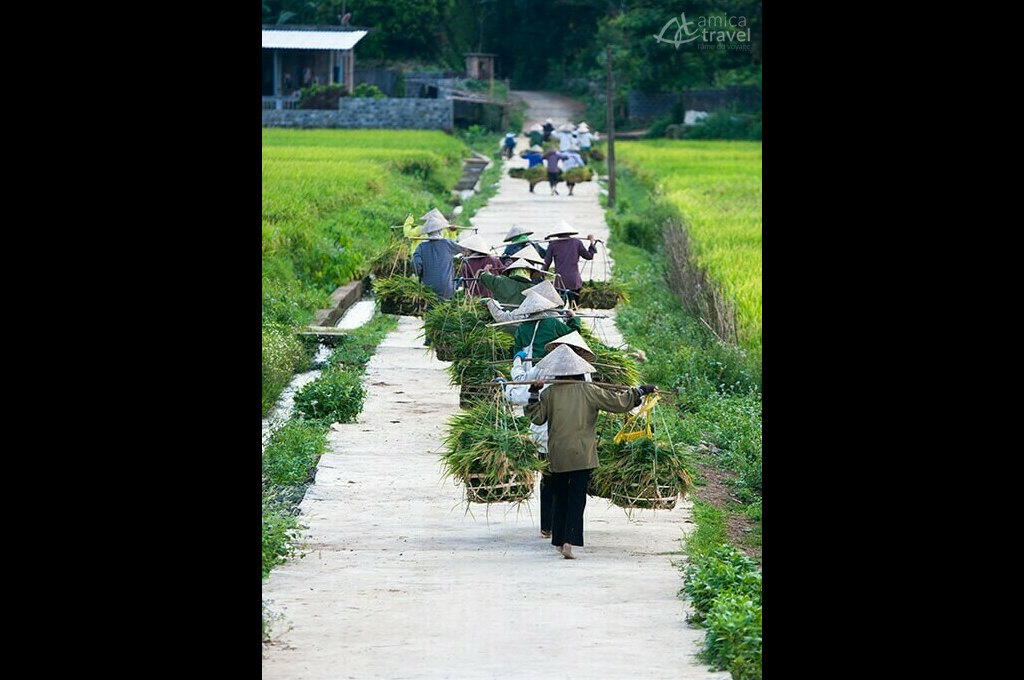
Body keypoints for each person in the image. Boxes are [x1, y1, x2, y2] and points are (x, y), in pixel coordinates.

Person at [525, 345, 657, 558]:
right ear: (581, 371)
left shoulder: (548, 393)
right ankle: (569, 541)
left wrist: (533, 392)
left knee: (560, 496)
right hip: (582, 455)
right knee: (577, 498)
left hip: (557, 455)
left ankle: (558, 541)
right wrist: (641, 390)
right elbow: (619, 403)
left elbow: (536, 418)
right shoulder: (590, 390)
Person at [497, 332, 597, 539]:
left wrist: (506, 386)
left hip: (548, 439)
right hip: (576, 440)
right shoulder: (585, 377)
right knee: (572, 488)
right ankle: (567, 533)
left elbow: (519, 394)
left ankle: (549, 527)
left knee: (550, 481)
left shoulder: (542, 372)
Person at [543, 222, 597, 305]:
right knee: (575, 306)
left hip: (559, 282)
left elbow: (546, 265)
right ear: (569, 233)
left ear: (557, 234)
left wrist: (540, 276)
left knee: (561, 306)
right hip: (574, 281)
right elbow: (589, 256)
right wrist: (592, 242)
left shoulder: (553, 245)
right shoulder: (577, 242)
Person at [412, 215, 465, 301]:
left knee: (430, 307)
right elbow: (463, 249)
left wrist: (420, 274)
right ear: (440, 231)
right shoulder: (447, 244)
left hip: (428, 288)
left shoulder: (421, 247)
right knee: (446, 307)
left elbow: (416, 264)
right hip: (447, 288)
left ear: (428, 233)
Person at [478, 259, 544, 306]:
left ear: (511, 271)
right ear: (530, 273)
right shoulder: (534, 288)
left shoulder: (501, 281)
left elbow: (485, 277)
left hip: (503, 317)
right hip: (524, 320)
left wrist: (486, 271)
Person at [456, 233, 504, 297]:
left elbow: (467, 285)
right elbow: (503, 273)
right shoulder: (494, 259)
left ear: (471, 250)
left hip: (478, 297)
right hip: (496, 294)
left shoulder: (468, 264)